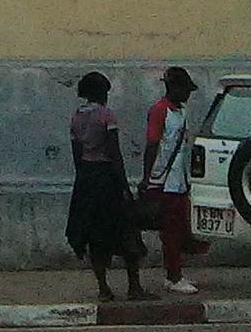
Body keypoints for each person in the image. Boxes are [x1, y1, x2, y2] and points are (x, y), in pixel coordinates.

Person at [65, 72, 144, 301]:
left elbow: (77, 156)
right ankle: (134, 287)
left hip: (87, 181)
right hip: (107, 179)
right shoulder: (106, 117)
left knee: (94, 235)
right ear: (102, 93)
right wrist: (123, 186)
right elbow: (114, 154)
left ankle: (103, 288)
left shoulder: (76, 118)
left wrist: (83, 184)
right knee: (126, 231)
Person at [140, 65, 199, 295]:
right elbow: (152, 144)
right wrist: (146, 177)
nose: (187, 94)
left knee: (180, 229)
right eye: (185, 89)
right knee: (171, 231)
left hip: (179, 180)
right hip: (164, 181)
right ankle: (174, 276)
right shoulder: (159, 111)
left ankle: (174, 272)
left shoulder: (180, 112)